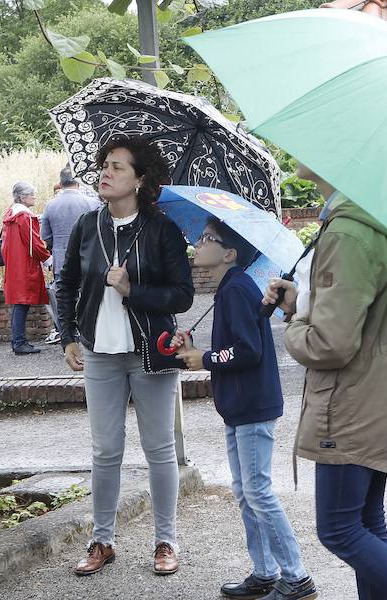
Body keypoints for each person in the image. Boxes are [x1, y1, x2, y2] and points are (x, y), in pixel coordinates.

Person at [263, 165, 387, 600]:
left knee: (339, 529)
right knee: (366, 521)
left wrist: (296, 324)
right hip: (381, 396)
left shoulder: (347, 233)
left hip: (354, 405)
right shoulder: (374, 220)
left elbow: (330, 345)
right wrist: (302, 301)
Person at [56, 135, 194, 577]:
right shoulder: (87, 225)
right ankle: (102, 541)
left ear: (139, 179)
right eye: (105, 165)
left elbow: (183, 295)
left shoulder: (162, 229)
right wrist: (69, 336)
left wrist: (133, 289)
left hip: (149, 353)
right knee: (105, 451)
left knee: (159, 449)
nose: (106, 173)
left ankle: (166, 539)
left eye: (117, 167)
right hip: (99, 354)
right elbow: (66, 283)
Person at [172, 218, 318, 600]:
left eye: (206, 239)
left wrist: (205, 357)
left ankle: (297, 577)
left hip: (252, 404)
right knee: (246, 491)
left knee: (258, 491)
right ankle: (265, 570)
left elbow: (248, 350)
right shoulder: (231, 289)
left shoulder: (236, 289)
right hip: (239, 405)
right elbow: (239, 340)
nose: (198, 244)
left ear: (229, 253)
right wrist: (195, 346)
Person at [42, 166, 102, 344]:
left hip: (61, 259)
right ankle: (89, 333)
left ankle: (68, 335)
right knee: (88, 296)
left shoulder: (50, 205)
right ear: (78, 181)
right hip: (89, 258)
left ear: (60, 184)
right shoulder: (91, 203)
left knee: (65, 299)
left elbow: (45, 235)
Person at [1, 181, 51, 355]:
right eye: (31, 194)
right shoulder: (24, 216)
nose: (34, 197)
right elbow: (34, 243)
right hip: (25, 264)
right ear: (22, 197)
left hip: (15, 263)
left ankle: (19, 341)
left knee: (19, 303)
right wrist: (47, 258)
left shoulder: (11, 214)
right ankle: (19, 342)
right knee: (22, 303)